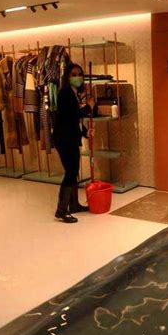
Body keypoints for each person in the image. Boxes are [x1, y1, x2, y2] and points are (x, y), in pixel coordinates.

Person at [53, 63, 95, 223]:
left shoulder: (73, 92)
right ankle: (61, 210)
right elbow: (73, 115)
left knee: (73, 171)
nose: (77, 77)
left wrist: (85, 132)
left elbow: (74, 120)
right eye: (74, 74)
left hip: (69, 137)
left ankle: (74, 204)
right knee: (71, 172)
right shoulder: (65, 93)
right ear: (68, 77)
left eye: (80, 74)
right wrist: (89, 107)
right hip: (64, 139)